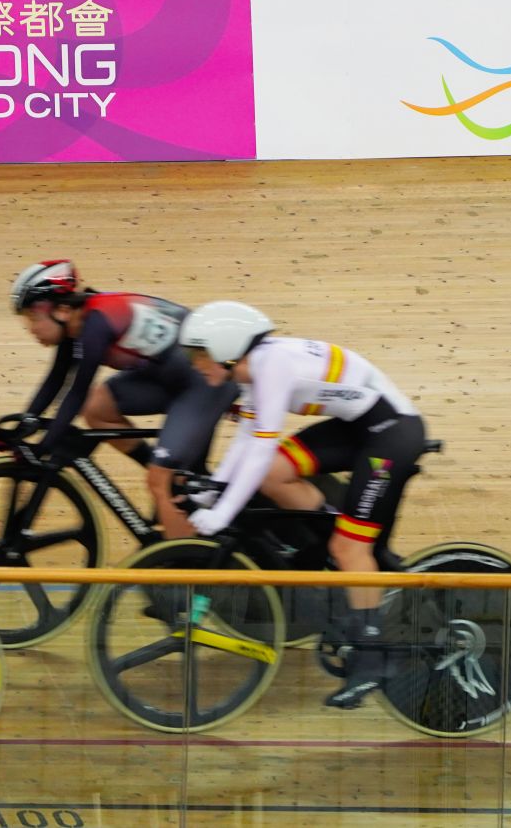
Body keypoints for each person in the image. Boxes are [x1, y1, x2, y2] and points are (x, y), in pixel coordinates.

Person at [178, 301, 427, 710]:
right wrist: (214, 490)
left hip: (391, 433)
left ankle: (372, 655)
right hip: (357, 427)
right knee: (276, 474)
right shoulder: (251, 371)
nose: (194, 364)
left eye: (198, 354)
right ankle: (339, 546)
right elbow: (247, 438)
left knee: (350, 547)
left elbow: (260, 446)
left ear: (225, 348)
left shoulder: (270, 365)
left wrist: (221, 513)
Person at [9, 259, 237, 539]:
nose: (31, 328)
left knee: (162, 482)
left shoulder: (96, 324)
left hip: (201, 384)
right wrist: (26, 423)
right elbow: (55, 380)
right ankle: (175, 472)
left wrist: (42, 447)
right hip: (165, 377)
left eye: (33, 318)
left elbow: (76, 390)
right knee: (96, 407)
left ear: (63, 310)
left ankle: (182, 553)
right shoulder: (75, 327)